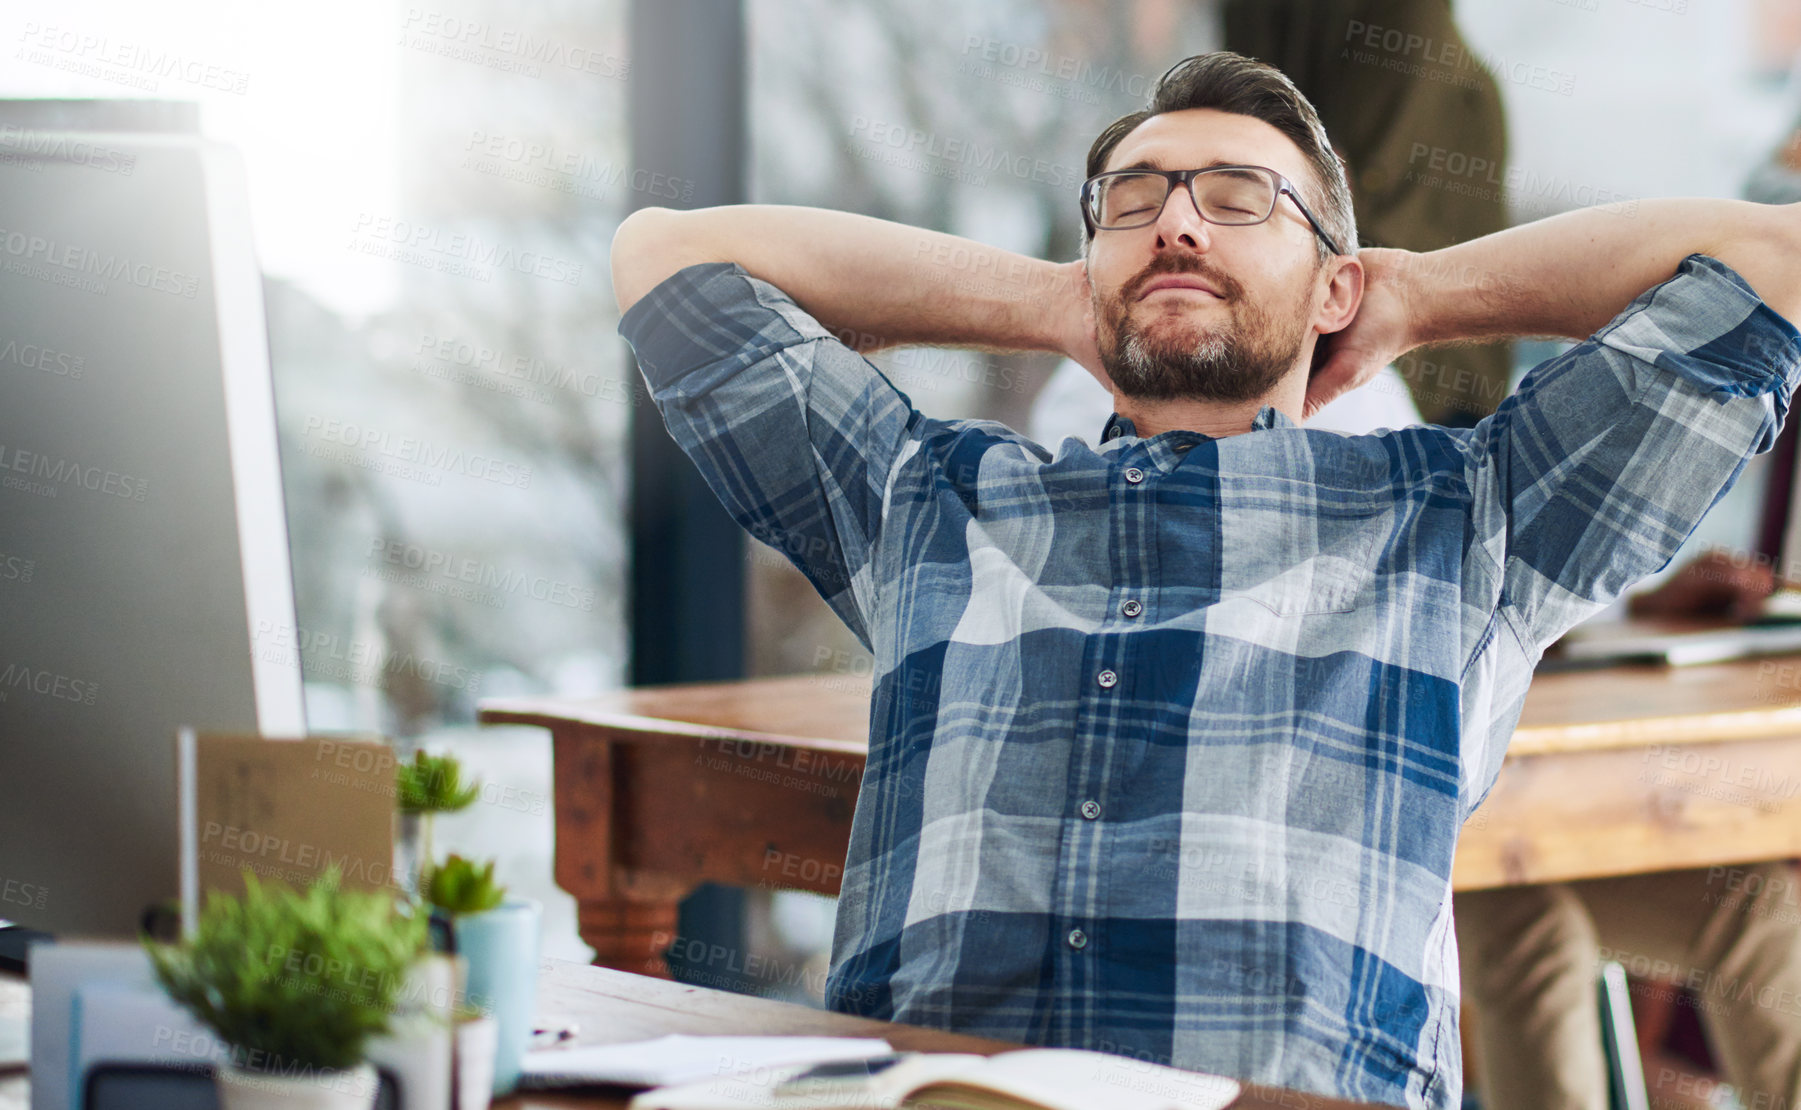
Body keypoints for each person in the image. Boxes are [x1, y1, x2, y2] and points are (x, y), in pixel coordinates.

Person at [609, 52, 1801, 1110]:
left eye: (1240, 200)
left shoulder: (1471, 520)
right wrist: (1046, 303)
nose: (1177, 226)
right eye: (1133, 203)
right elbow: (666, 257)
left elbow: (1774, 259)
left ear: (1335, 285)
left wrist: (1423, 297)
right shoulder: (926, 499)